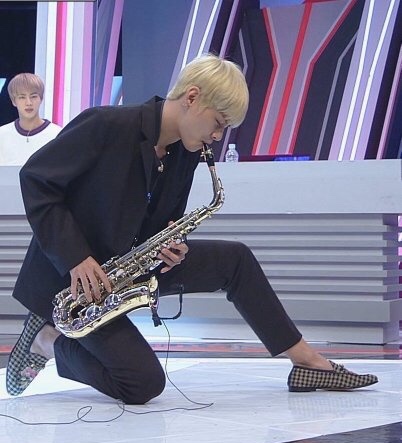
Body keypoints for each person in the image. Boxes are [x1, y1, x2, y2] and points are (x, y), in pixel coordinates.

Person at [6, 54, 378, 402]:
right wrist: (76, 257)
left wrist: (175, 246)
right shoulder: (106, 124)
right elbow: (36, 179)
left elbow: (162, 222)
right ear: (192, 97)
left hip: (124, 272)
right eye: (218, 123)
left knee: (235, 260)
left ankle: (307, 362)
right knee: (142, 383)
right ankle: (48, 340)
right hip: (75, 283)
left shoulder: (185, 152)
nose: (218, 136)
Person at [0, 73, 62, 166]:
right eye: (22, 97)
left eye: (33, 96)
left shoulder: (57, 135)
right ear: (13, 101)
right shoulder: (2, 135)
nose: (28, 103)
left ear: (41, 99)